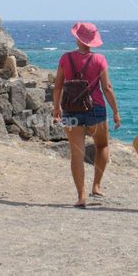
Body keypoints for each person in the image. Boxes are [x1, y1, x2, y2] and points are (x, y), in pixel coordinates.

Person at [52, 22, 121, 207]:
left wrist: (56, 108)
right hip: (96, 109)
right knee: (102, 145)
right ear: (92, 41)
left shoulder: (65, 58)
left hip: (71, 109)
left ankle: (81, 196)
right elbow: (106, 88)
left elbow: (58, 86)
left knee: (77, 154)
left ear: (77, 38)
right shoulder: (99, 60)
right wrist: (115, 111)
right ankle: (96, 185)